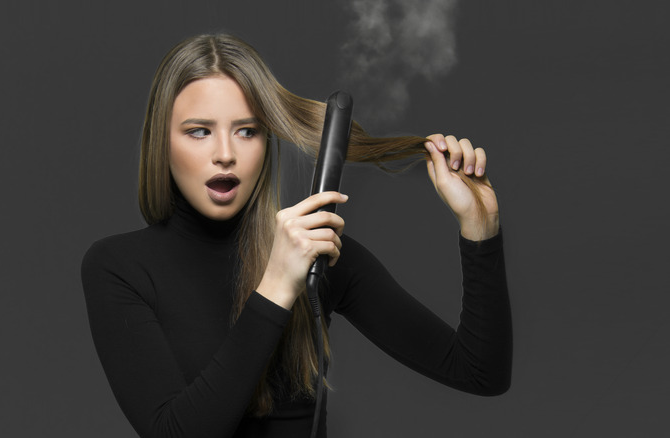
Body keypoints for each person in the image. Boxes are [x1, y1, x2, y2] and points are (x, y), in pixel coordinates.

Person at [81, 33, 511, 438]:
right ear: (163, 142)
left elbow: (480, 372)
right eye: (199, 131)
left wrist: (481, 230)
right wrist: (275, 286)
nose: (226, 154)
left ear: (267, 142)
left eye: (247, 131)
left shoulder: (319, 253)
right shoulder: (118, 267)